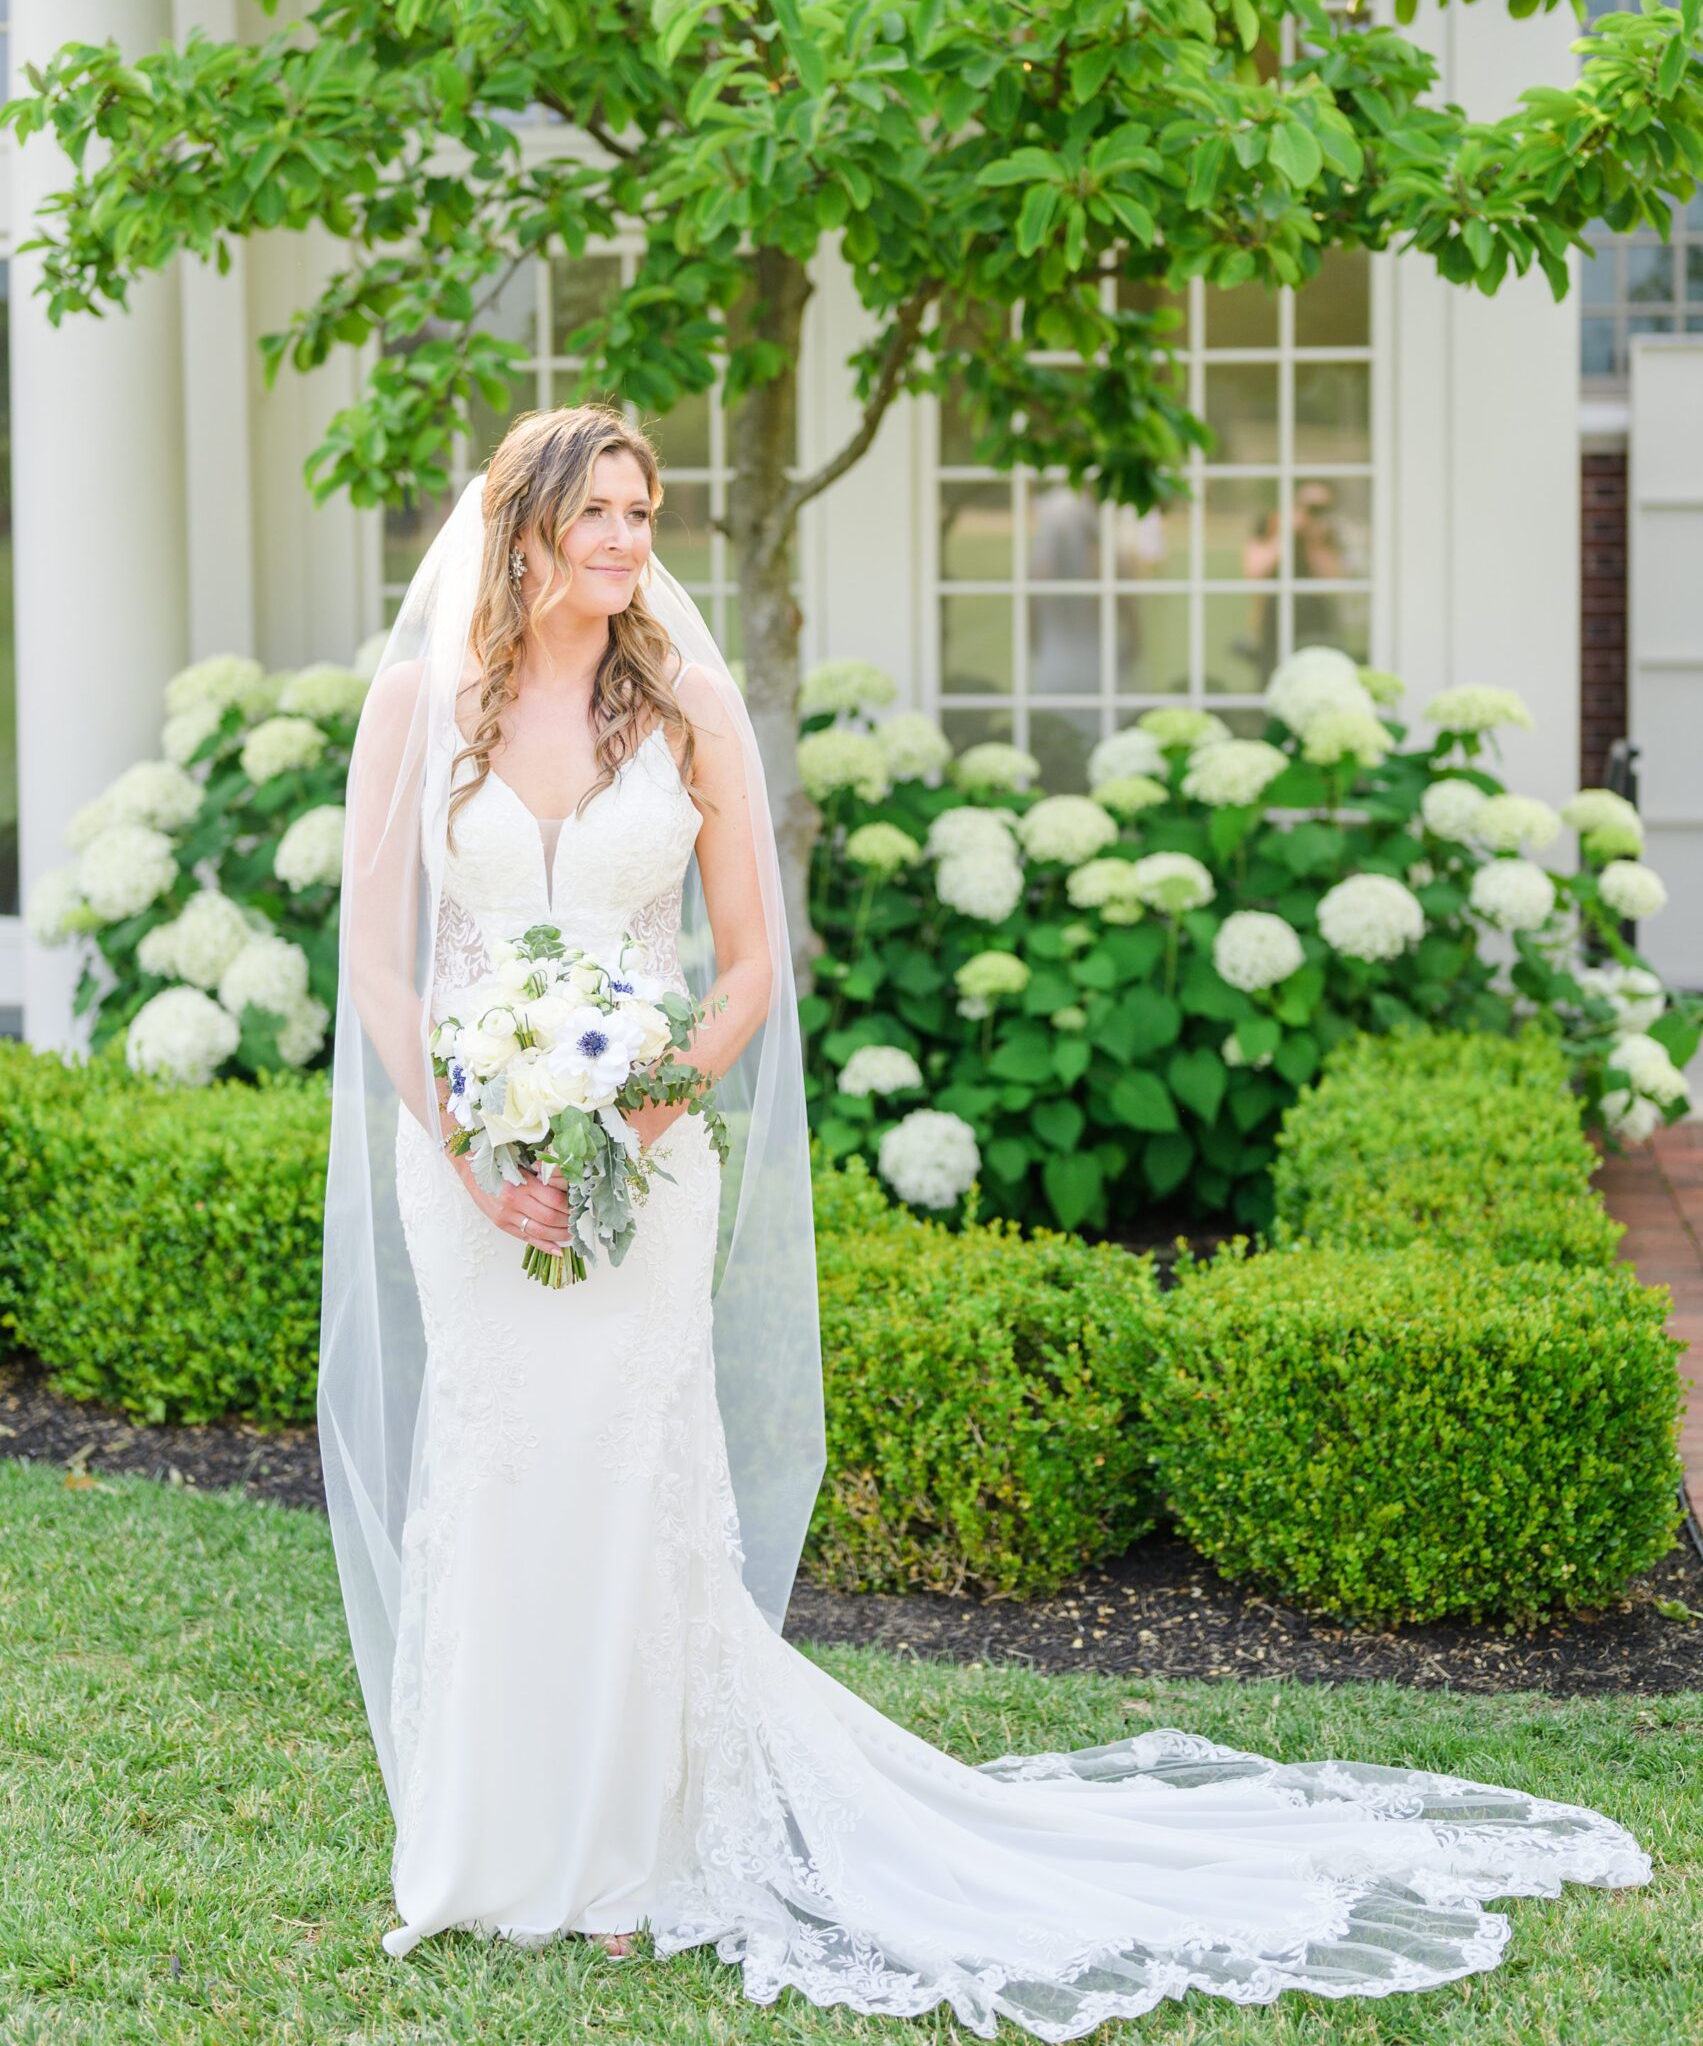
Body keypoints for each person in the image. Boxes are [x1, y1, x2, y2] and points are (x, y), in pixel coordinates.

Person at [322, 402, 1651, 2033]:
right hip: (465, 1154)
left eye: (642, 511)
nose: (623, 540)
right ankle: (483, 1841)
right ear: (519, 523)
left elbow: (746, 965)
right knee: (498, 1453)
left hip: (645, 1152)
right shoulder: (414, 706)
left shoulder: (686, 710)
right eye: (594, 510)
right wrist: (468, 1144)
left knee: (620, 1467)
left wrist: (644, 1106)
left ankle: (628, 1855)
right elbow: (380, 967)